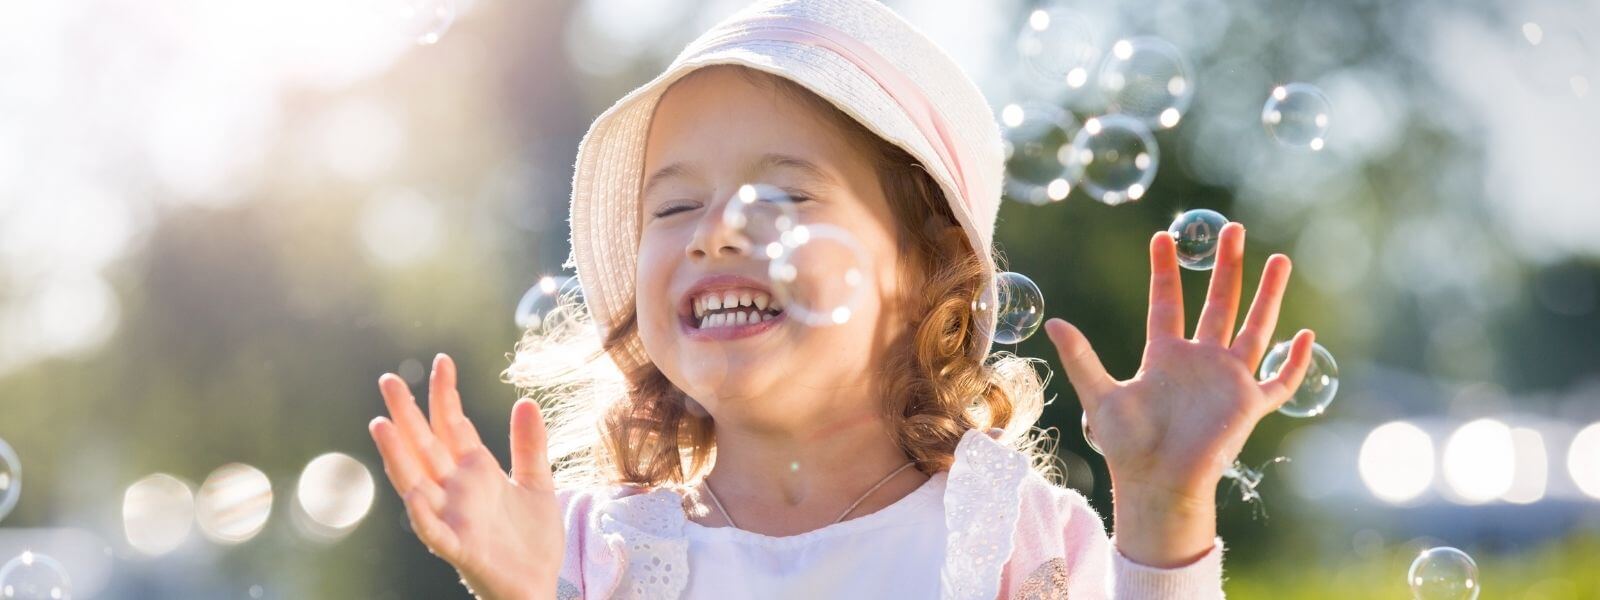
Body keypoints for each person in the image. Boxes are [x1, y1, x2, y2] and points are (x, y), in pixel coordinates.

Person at [367, 0, 1317, 598]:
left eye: (780, 195)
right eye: (675, 203)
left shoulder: (1009, 536)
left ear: (920, 266)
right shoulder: (593, 554)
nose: (715, 231)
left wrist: (1161, 509)